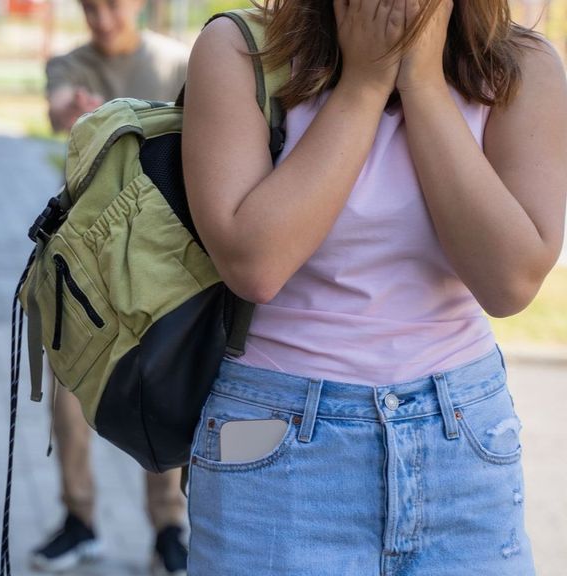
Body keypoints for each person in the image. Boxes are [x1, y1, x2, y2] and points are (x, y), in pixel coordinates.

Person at [181, 0, 566, 572]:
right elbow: (255, 265)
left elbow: (508, 283)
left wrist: (424, 84)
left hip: (461, 443)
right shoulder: (240, 49)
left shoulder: (521, 65)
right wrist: (364, 83)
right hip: (275, 447)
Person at [33, 1, 190, 574]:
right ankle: (79, 520)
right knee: (70, 390)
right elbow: (56, 111)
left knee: (163, 386)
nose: (102, 16)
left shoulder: (177, 61)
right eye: (91, 6)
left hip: (159, 256)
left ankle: (169, 527)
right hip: (81, 255)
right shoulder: (70, 63)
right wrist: (73, 110)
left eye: (113, 4)